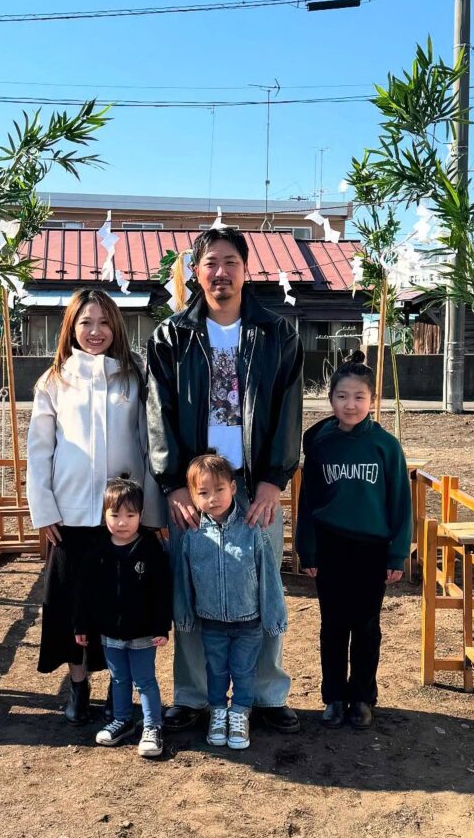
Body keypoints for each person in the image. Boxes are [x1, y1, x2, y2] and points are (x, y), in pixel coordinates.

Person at [147, 226, 304, 734]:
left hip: (254, 489)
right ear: (195, 272)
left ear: (245, 269)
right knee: (192, 591)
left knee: (264, 590)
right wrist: (173, 484)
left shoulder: (277, 334)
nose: (221, 272)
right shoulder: (171, 336)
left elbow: (287, 410)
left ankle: (266, 694)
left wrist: (274, 480)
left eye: (231, 261)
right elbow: (159, 414)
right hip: (196, 490)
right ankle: (192, 695)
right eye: (210, 262)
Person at [26, 288, 162, 724]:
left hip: (120, 518)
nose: (95, 332)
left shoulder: (131, 377)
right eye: (86, 323)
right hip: (70, 516)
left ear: (116, 327)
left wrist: (151, 513)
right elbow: (39, 449)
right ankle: (78, 687)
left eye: (104, 323)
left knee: (119, 607)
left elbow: (146, 445)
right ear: (71, 327)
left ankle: (117, 690)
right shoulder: (54, 381)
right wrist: (43, 508)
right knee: (71, 606)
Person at [295, 353, 412, 729]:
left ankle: (361, 696)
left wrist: (397, 554)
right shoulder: (317, 441)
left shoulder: (386, 447)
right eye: (342, 396)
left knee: (365, 625)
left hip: (370, 548)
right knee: (332, 625)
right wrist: (306, 547)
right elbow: (308, 498)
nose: (351, 404)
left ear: (372, 401)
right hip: (330, 545)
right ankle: (333, 697)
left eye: (359, 397)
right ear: (330, 399)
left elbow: (400, 503)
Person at [175, 455, 287, 750]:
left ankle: (240, 713)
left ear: (234, 488)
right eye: (203, 493)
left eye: (220, 490)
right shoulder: (193, 536)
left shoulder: (251, 529)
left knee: (244, 670)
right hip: (211, 621)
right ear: (192, 496)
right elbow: (184, 582)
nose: (213, 499)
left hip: (248, 621)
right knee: (215, 670)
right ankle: (218, 712)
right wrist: (184, 616)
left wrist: (273, 616)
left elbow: (268, 577)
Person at [75, 478, 171, 758]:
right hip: (109, 632)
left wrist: (162, 626)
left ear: (141, 515)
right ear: (104, 515)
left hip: (143, 632)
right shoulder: (98, 550)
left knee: (144, 680)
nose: (122, 522)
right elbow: (85, 591)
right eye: (115, 515)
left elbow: (162, 592)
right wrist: (81, 624)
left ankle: (153, 725)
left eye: (130, 515)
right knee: (118, 680)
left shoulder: (150, 549)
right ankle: (122, 719)